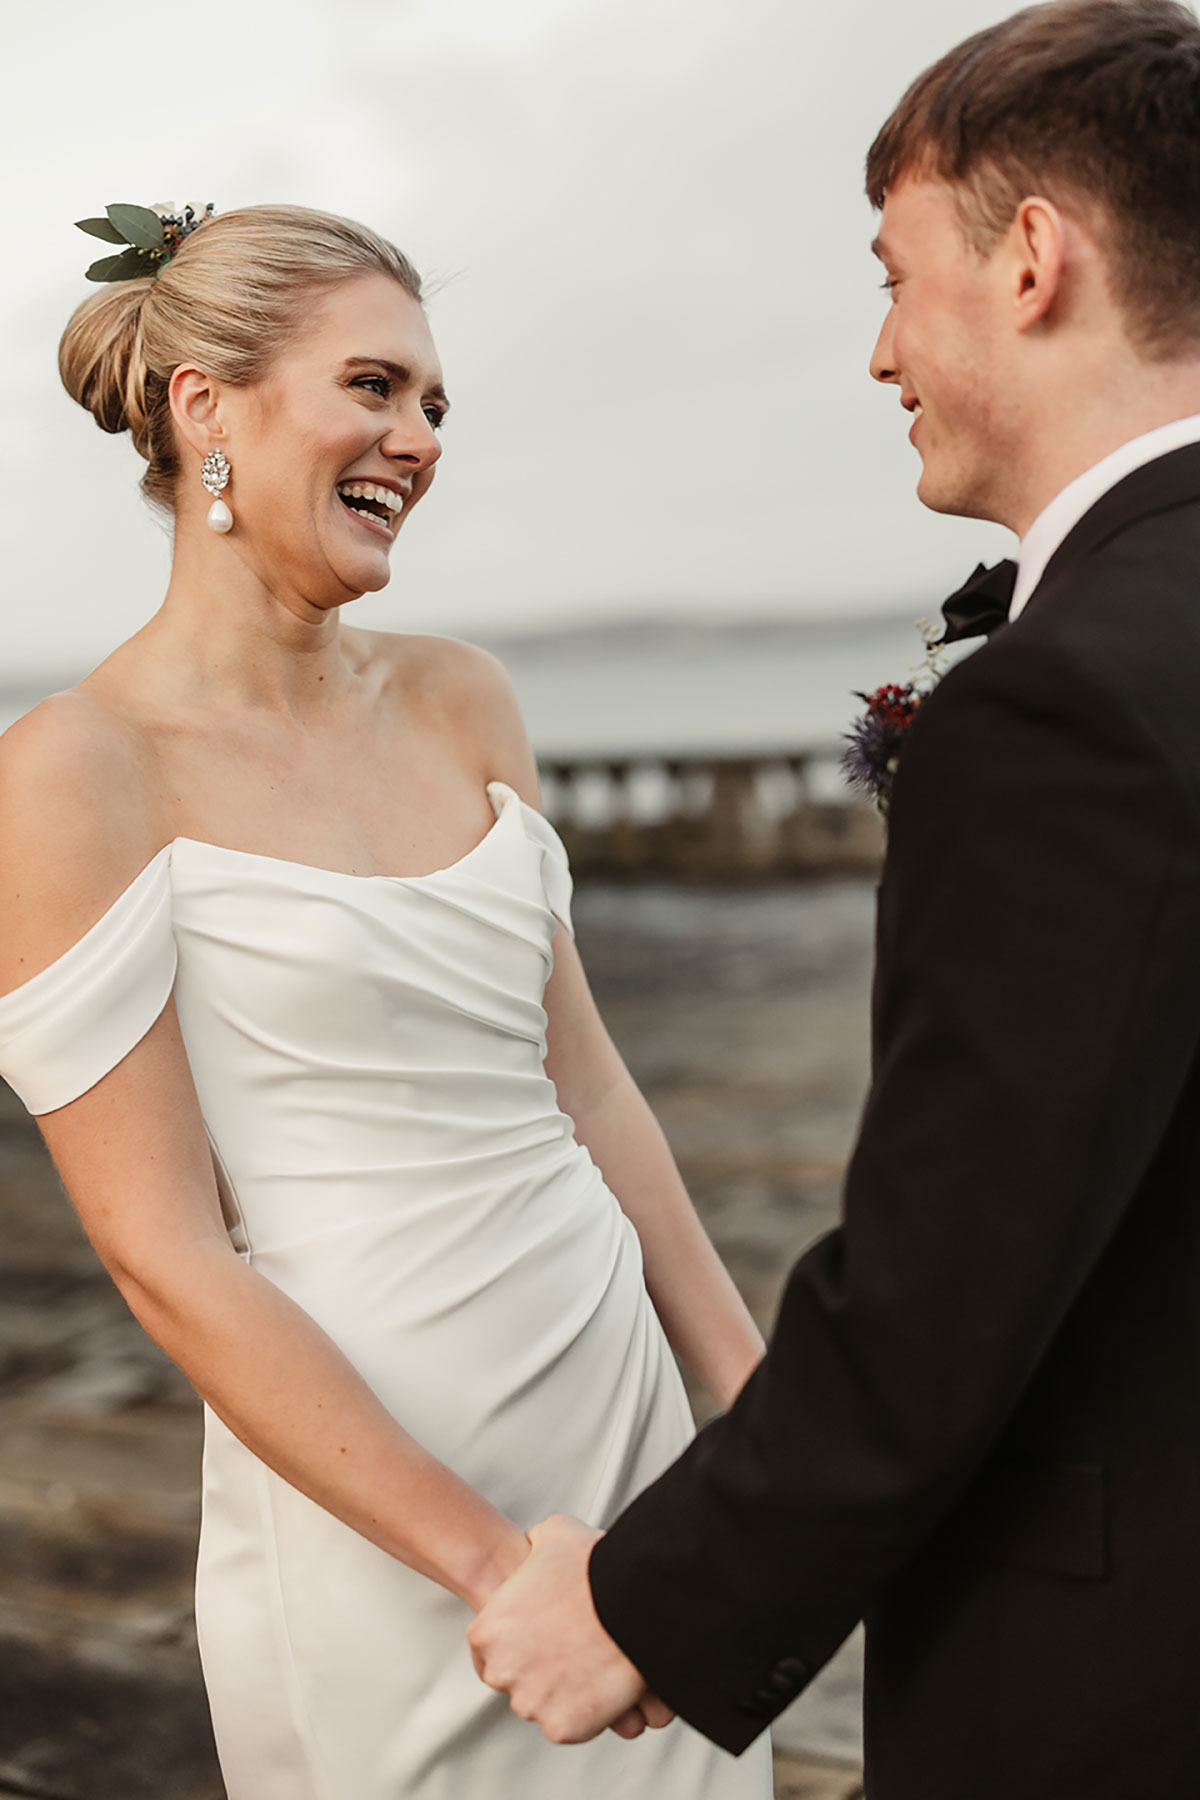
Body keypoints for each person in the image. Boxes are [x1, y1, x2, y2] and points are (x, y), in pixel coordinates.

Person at [466, 3, 1200, 1795]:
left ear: (1032, 258)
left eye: (894, 274)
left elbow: (955, 1275)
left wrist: (645, 1601)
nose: (879, 353)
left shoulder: (1063, 702)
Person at [0, 202, 774, 1799]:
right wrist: (495, 1569)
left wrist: (750, 1412)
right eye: (375, 386)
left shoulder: (462, 695)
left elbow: (594, 1092)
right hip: (380, 1506)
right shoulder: (74, 772)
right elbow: (164, 1258)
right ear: (207, 406)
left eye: (434, 406)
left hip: (621, 1423)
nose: (417, 439)